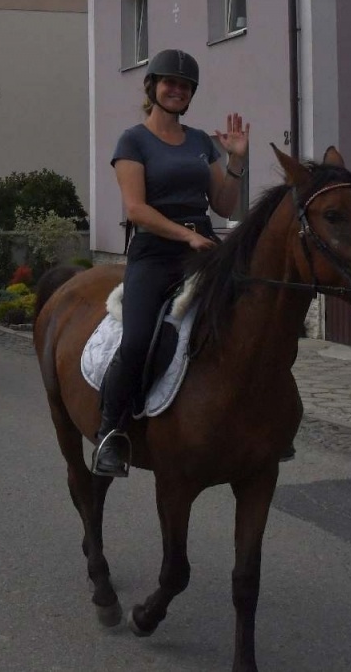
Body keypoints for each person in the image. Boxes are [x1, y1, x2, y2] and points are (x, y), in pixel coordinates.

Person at [95, 48, 249, 477]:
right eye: (170, 83)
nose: (177, 90)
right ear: (153, 87)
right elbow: (136, 209)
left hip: (201, 250)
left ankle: (258, 421)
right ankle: (111, 432)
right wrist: (186, 235)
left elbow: (221, 203)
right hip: (155, 253)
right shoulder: (133, 141)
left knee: (251, 320)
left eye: (185, 86)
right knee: (139, 338)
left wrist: (236, 161)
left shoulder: (201, 141)